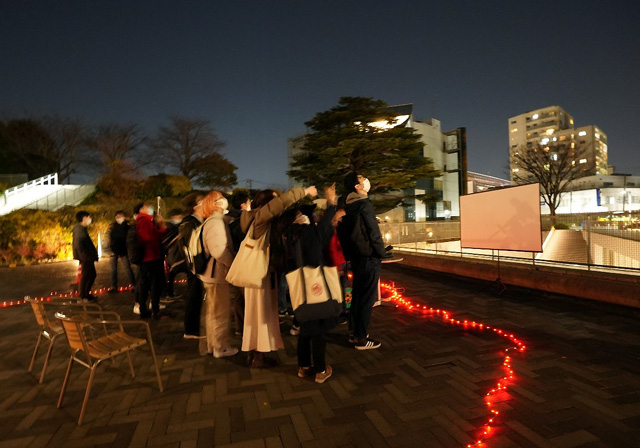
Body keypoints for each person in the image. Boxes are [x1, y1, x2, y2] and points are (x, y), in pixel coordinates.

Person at [239, 185, 317, 368]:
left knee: (257, 315)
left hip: (259, 274)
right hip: (260, 276)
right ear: (266, 205)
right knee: (260, 315)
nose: (277, 205)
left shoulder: (259, 220)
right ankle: (258, 356)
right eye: (272, 201)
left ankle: (256, 353)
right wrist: (303, 192)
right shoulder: (259, 218)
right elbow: (280, 204)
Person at [285, 185, 339, 384]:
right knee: (317, 330)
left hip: (297, 286)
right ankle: (320, 370)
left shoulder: (289, 233)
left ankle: (303, 367)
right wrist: (331, 202)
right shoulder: (308, 232)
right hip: (313, 283)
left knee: (305, 327)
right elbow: (324, 229)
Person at [337, 173, 386, 350]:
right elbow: (373, 233)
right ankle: (361, 338)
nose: (365, 179)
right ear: (357, 187)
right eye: (362, 178)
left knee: (357, 295)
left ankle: (354, 332)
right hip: (369, 257)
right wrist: (381, 253)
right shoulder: (364, 205)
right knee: (367, 298)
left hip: (356, 257)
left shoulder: (348, 206)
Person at [198, 191, 238, 358]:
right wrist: (235, 265)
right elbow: (219, 251)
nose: (224, 200)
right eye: (220, 198)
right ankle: (220, 347)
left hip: (211, 274)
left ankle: (211, 345)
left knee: (213, 312)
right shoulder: (215, 223)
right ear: (215, 203)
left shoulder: (211, 221)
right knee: (220, 313)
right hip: (216, 275)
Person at [179, 193, 205, 338]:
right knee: (193, 296)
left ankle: (194, 328)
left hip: (198, 265)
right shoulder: (189, 223)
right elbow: (188, 248)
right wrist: (196, 267)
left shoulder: (198, 221)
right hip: (195, 266)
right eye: (201, 202)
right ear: (194, 207)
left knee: (197, 296)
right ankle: (191, 330)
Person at [134, 202, 166, 319]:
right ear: (142, 208)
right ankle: (155, 311)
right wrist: (162, 229)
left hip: (143, 257)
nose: (149, 208)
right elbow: (149, 237)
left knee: (144, 285)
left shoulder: (138, 220)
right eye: (147, 206)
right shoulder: (146, 219)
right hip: (152, 256)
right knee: (154, 285)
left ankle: (143, 310)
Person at [226, 191, 251, 335]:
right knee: (246, 296)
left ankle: (239, 327)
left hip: (235, 261)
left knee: (238, 296)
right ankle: (247, 327)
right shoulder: (243, 220)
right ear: (243, 205)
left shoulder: (228, 219)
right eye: (248, 202)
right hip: (244, 261)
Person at [72, 211, 99, 301]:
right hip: (86, 257)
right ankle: (83, 295)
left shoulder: (80, 229)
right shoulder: (80, 230)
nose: (90, 219)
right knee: (87, 275)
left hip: (87, 256)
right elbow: (79, 245)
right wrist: (85, 256)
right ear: (84, 218)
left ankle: (86, 294)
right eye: (89, 217)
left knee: (91, 275)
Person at [108, 210, 136, 293]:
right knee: (113, 269)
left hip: (124, 250)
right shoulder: (113, 226)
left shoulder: (127, 226)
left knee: (127, 268)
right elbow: (110, 237)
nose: (119, 218)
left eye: (121, 216)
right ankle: (113, 286)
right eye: (117, 216)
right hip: (114, 250)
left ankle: (134, 284)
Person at [161, 208, 185, 300]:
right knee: (170, 274)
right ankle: (169, 292)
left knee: (171, 274)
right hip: (171, 255)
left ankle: (169, 292)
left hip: (178, 254)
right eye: (178, 216)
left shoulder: (180, 226)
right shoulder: (168, 227)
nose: (179, 218)